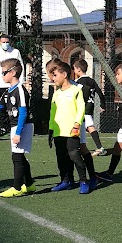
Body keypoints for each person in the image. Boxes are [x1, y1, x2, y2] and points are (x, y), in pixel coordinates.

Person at [0, 59, 35, 197]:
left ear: (13, 72)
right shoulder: (7, 92)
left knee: (16, 157)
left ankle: (17, 188)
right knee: (20, 156)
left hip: (23, 126)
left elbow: (23, 112)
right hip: (15, 126)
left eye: (4, 72)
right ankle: (29, 185)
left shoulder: (20, 90)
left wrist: (18, 133)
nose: (2, 75)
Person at [48, 61, 92, 194]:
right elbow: (52, 112)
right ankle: (66, 181)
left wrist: (77, 124)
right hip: (58, 131)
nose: (53, 78)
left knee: (74, 155)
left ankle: (84, 181)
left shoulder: (76, 90)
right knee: (61, 157)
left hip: (72, 130)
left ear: (64, 74)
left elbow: (81, 109)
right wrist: (51, 129)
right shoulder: (56, 94)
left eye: (55, 75)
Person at [0, 34, 25, 137]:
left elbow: (21, 67)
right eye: (3, 42)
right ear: (0, 42)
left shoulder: (15, 52)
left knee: (15, 106)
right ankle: (3, 127)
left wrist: (21, 81)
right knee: (1, 107)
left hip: (14, 85)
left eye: (7, 42)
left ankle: (15, 126)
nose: (5, 44)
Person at [72, 59, 107, 156]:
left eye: (74, 68)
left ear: (78, 69)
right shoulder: (92, 81)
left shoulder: (78, 82)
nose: (73, 70)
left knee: (88, 126)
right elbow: (100, 93)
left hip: (82, 107)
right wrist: (102, 105)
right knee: (86, 125)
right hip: (90, 105)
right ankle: (85, 146)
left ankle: (99, 147)